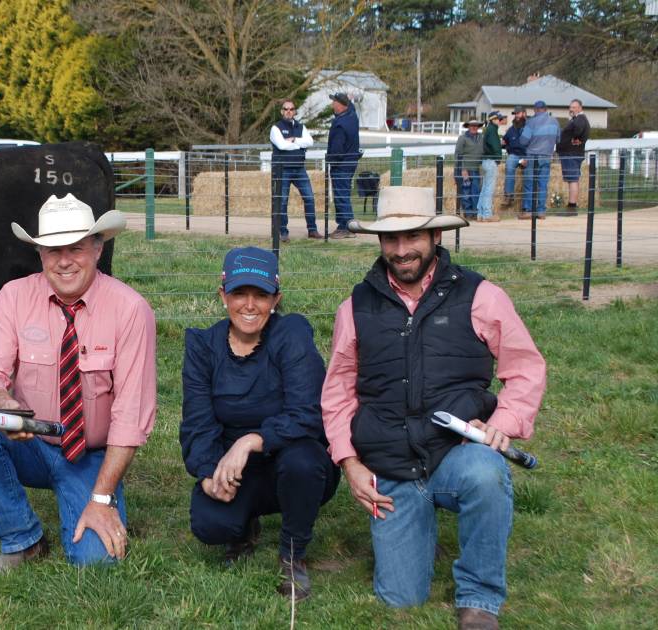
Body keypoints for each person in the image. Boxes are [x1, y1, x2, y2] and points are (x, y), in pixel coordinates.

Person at [321, 186, 547, 630]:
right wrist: (349, 462)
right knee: (400, 599)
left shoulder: (481, 296)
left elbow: (525, 367)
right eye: (391, 239)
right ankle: (416, 531)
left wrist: (504, 422)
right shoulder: (356, 306)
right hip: (390, 464)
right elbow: (338, 391)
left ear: (436, 237)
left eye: (413, 236)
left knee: (485, 473)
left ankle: (479, 596)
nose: (402, 250)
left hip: (454, 452)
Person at [0, 194, 157, 573]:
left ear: (97, 249)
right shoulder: (14, 297)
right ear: (40, 254)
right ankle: (22, 539)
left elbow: (131, 417)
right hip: (31, 438)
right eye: (52, 250)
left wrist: (101, 497)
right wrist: (0, 401)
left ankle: (94, 498)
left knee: (97, 563)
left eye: (75, 248)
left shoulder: (130, 310)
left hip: (91, 456)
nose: (64, 261)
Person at [180, 246, 338, 600]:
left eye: (261, 295)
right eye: (239, 293)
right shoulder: (203, 346)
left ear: (276, 298)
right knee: (210, 524)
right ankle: (243, 527)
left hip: (293, 457)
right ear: (223, 295)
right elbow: (197, 422)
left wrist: (251, 440)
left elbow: (309, 412)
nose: (249, 305)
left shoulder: (291, 334)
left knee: (303, 463)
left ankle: (292, 554)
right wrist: (208, 473)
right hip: (236, 469)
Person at [270, 100, 323, 242]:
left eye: (291, 109)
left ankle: (312, 230)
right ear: (282, 111)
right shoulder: (276, 128)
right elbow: (281, 146)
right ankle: (283, 232)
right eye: (285, 109)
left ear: (294, 111)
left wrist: (293, 140)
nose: (288, 111)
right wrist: (299, 144)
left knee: (310, 198)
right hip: (283, 170)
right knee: (282, 202)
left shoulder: (301, 127)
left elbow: (310, 142)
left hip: (299, 168)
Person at [325, 92, 361, 238]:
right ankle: (343, 225)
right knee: (343, 194)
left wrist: (330, 159)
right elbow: (351, 106)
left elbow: (337, 148)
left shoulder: (340, 124)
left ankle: (347, 228)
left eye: (334, 101)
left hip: (341, 164)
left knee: (341, 196)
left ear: (340, 105)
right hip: (350, 161)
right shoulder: (352, 116)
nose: (332, 104)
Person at [519, 100, 560, 220]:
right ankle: (541, 211)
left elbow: (523, 141)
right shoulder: (555, 122)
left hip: (533, 155)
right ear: (546, 109)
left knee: (529, 183)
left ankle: (528, 210)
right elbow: (558, 139)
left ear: (535, 110)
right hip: (547, 156)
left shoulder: (531, 122)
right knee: (543, 184)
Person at [556, 99, 590, 217]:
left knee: (572, 179)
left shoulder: (580, 119)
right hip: (571, 153)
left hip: (571, 153)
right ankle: (571, 206)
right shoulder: (577, 119)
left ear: (580, 108)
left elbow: (579, 129)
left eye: (574, 107)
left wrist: (575, 138)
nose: (571, 109)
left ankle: (572, 207)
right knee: (572, 179)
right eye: (570, 107)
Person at [477, 112, 506, 222]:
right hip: (491, 161)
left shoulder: (488, 129)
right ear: (494, 120)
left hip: (485, 161)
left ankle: (480, 213)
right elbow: (495, 147)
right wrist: (499, 156)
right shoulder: (493, 130)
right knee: (489, 188)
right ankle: (487, 214)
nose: (500, 120)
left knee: (484, 188)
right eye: (499, 119)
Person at [453, 120, 484, 219]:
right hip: (465, 168)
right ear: (468, 127)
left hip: (477, 168)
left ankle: (475, 212)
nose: (474, 127)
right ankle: (468, 213)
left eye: (476, 126)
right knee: (466, 192)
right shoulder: (462, 138)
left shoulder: (481, 138)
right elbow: (458, 155)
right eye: (472, 126)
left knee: (476, 191)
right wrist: (461, 169)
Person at [500, 106, 528, 211]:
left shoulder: (529, 127)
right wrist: (504, 144)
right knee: (509, 165)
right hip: (514, 155)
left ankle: (526, 203)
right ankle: (509, 195)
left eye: (518, 113)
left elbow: (533, 143)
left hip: (526, 155)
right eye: (515, 114)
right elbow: (504, 141)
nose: (516, 115)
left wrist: (528, 157)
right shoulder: (511, 129)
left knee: (528, 174)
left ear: (524, 114)